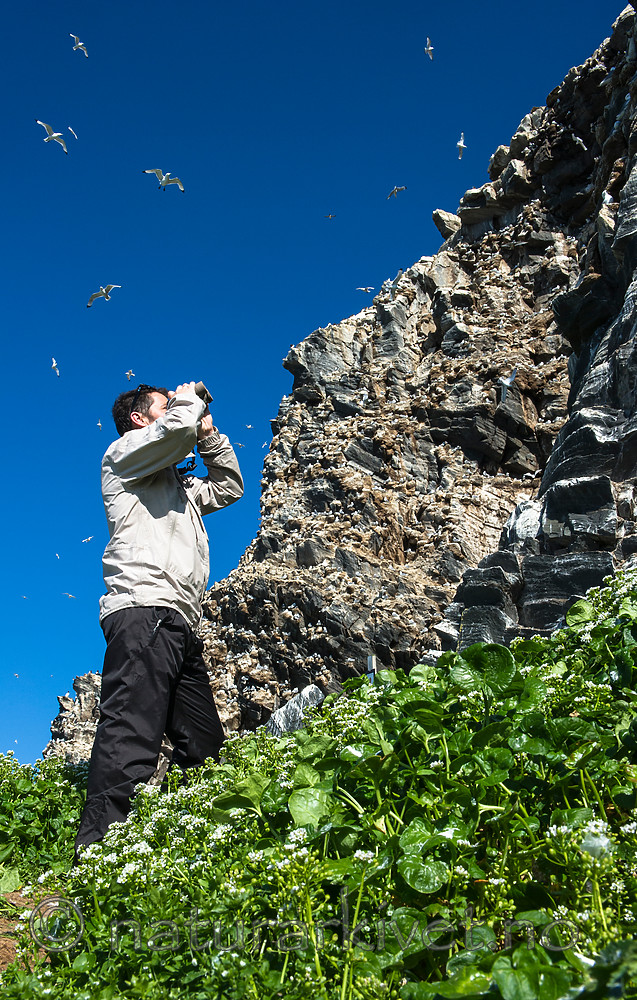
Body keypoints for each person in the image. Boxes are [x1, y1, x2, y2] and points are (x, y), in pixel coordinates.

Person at [74, 381, 243, 858]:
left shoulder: (179, 487)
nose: (178, 411)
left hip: (179, 622)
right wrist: (188, 401)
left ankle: (200, 851)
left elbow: (230, 487)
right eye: (165, 407)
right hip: (143, 608)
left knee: (205, 744)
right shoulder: (123, 456)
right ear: (140, 419)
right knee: (130, 735)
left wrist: (207, 433)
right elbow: (175, 431)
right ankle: (96, 864)